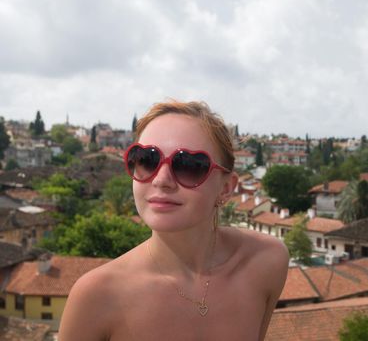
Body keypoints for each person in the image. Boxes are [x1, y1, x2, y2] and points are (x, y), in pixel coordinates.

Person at [58, 100, 289, 340]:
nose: (161, 180)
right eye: (146, 160)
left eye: (188, 165)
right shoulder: (96, 296)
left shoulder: (266, 262)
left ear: (226, 188)